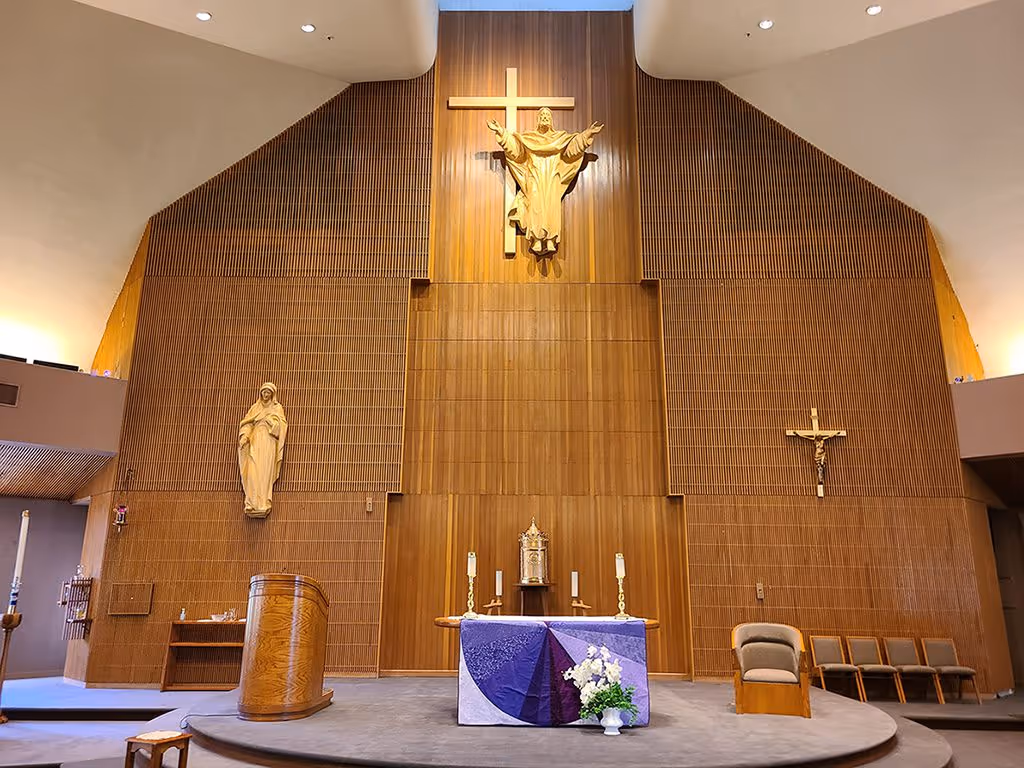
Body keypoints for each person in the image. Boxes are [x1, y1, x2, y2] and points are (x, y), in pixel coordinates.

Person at [487, 107, 603, 256]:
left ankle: (550, 239)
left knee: (551, 208)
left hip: (553, 177)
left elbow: (571, 152)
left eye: (548, 115)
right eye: (542, 115)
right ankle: (536, 239)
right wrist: (501, 133)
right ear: (538, 119)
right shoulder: (529, 139)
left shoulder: (559, 139)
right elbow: (516, 152)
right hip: (534, 177)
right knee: (535, 207)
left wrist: (587, 134)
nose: (545, 117)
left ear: (552, 120)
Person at [238, 382, 288, 517]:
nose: (266, 395)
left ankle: (263, 501)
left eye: (268, 393)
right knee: (253, 469)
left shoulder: (277, 409)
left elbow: (281, 428)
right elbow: (247, 423)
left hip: (268, 443)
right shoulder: (255, 408)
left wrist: (271, 422)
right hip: (255, 440)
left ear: (272, 394)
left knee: (264, 472)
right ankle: (252, 501)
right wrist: (245, 436)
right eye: (264, 392)